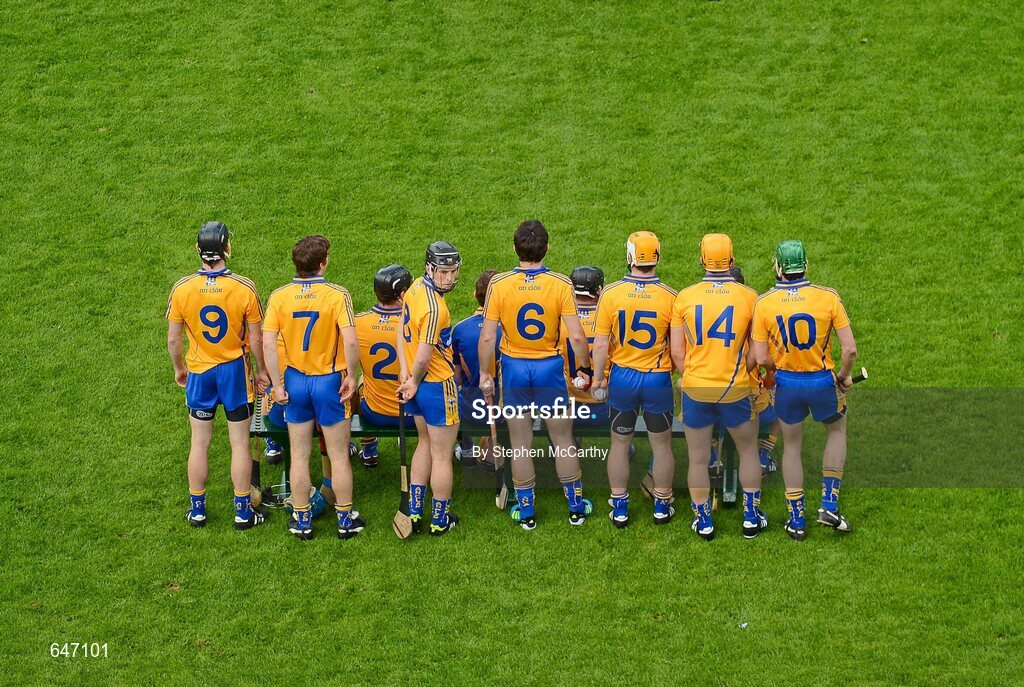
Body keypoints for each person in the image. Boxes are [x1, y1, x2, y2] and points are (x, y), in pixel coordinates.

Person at [478, 220, 595, 530]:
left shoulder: (499, 284)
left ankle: (526, 509)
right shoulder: (560, 284)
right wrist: (585, 367)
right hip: (549, 369)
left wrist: (483, 373)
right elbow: (577, 337)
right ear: (547, 248)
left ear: (516, 249)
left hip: (514, 368)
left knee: (520, 443)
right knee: (562, 439)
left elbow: (488, 338)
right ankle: (575, 506)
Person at [166, 221, 270, 530]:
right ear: (227, 249)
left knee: (199, 443)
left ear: (198, 250)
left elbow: (174, 340)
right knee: (239, 444)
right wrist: (262, 371)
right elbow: (256, 339)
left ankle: (197, 509)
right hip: (234, 373)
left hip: (199, 373)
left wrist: (179, 369)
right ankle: (242, 512)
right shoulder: (244, 287)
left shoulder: (182, 288)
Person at [752, 240, 857, 540]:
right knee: (836, 432)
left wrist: (777, 368)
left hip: (786, 383)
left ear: (778, 268)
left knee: (792, 446)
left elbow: (761, 359)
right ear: (806, 266)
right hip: (822, 380)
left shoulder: (764, 303)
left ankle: (796, 520)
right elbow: (849, 349)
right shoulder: (829, 297)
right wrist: (844, 376)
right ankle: (828, 504)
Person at [263, 235, 363, 541]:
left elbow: (268, 342)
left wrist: (277, 385)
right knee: (338, 456)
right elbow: (349, 339)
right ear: (323, 263)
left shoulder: (279, 296)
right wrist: (352, 376)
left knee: (300, 454)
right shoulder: (337, 295)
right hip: (328, 382)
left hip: (295, 381)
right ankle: (345, 519)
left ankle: (302, 519)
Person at [671, 233, 766, 540]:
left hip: (697, 389)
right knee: (748, 451)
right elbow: (757, 351)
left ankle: (704, 521)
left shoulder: (684, 297)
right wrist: (743, 370)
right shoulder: (750, 297)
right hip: (735, 388)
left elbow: (676, 353)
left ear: (702, 260)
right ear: (732, 260)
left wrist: (694, 376)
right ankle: (751, 517)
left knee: (698, 458)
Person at [591, 233, 678, 527]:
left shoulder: (611, 294)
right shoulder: (671, 296)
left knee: (618, 442)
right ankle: (662, 505)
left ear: (630, 258)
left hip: (622, 378)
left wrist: (598, 380)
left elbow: (601, 344)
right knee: (662, 446)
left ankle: (620, 507)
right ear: (657, 256)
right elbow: (678, 348)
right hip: (657, 378)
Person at [395, 242, 463, 536]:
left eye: (453, 271)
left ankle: (414, 510)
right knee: (442, 454)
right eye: (443, 271)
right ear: (429, 268)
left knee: (424, 443)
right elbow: (423, 355)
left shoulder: (414, 290)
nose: (449, 278)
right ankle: (439, 519)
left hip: (416, 384)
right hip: (436, 385)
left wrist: (404, 374)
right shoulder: (436, 308)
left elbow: (400, 329)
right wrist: (413, 377)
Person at [351, 264, 414, 467]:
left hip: (374, 412)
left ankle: (369, 449)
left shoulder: (358, 323)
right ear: (403, 293)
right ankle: (464, 448)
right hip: (412, 414)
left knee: (358, 381)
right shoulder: (416, 324)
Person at [450, 270, 502, 467]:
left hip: (471, 409)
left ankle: (466, 449)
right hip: (503, 412)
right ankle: (492, 449)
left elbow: (458, 377)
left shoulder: (461, 329)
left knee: (452, 392)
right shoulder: (509, 329)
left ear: (475, 295)